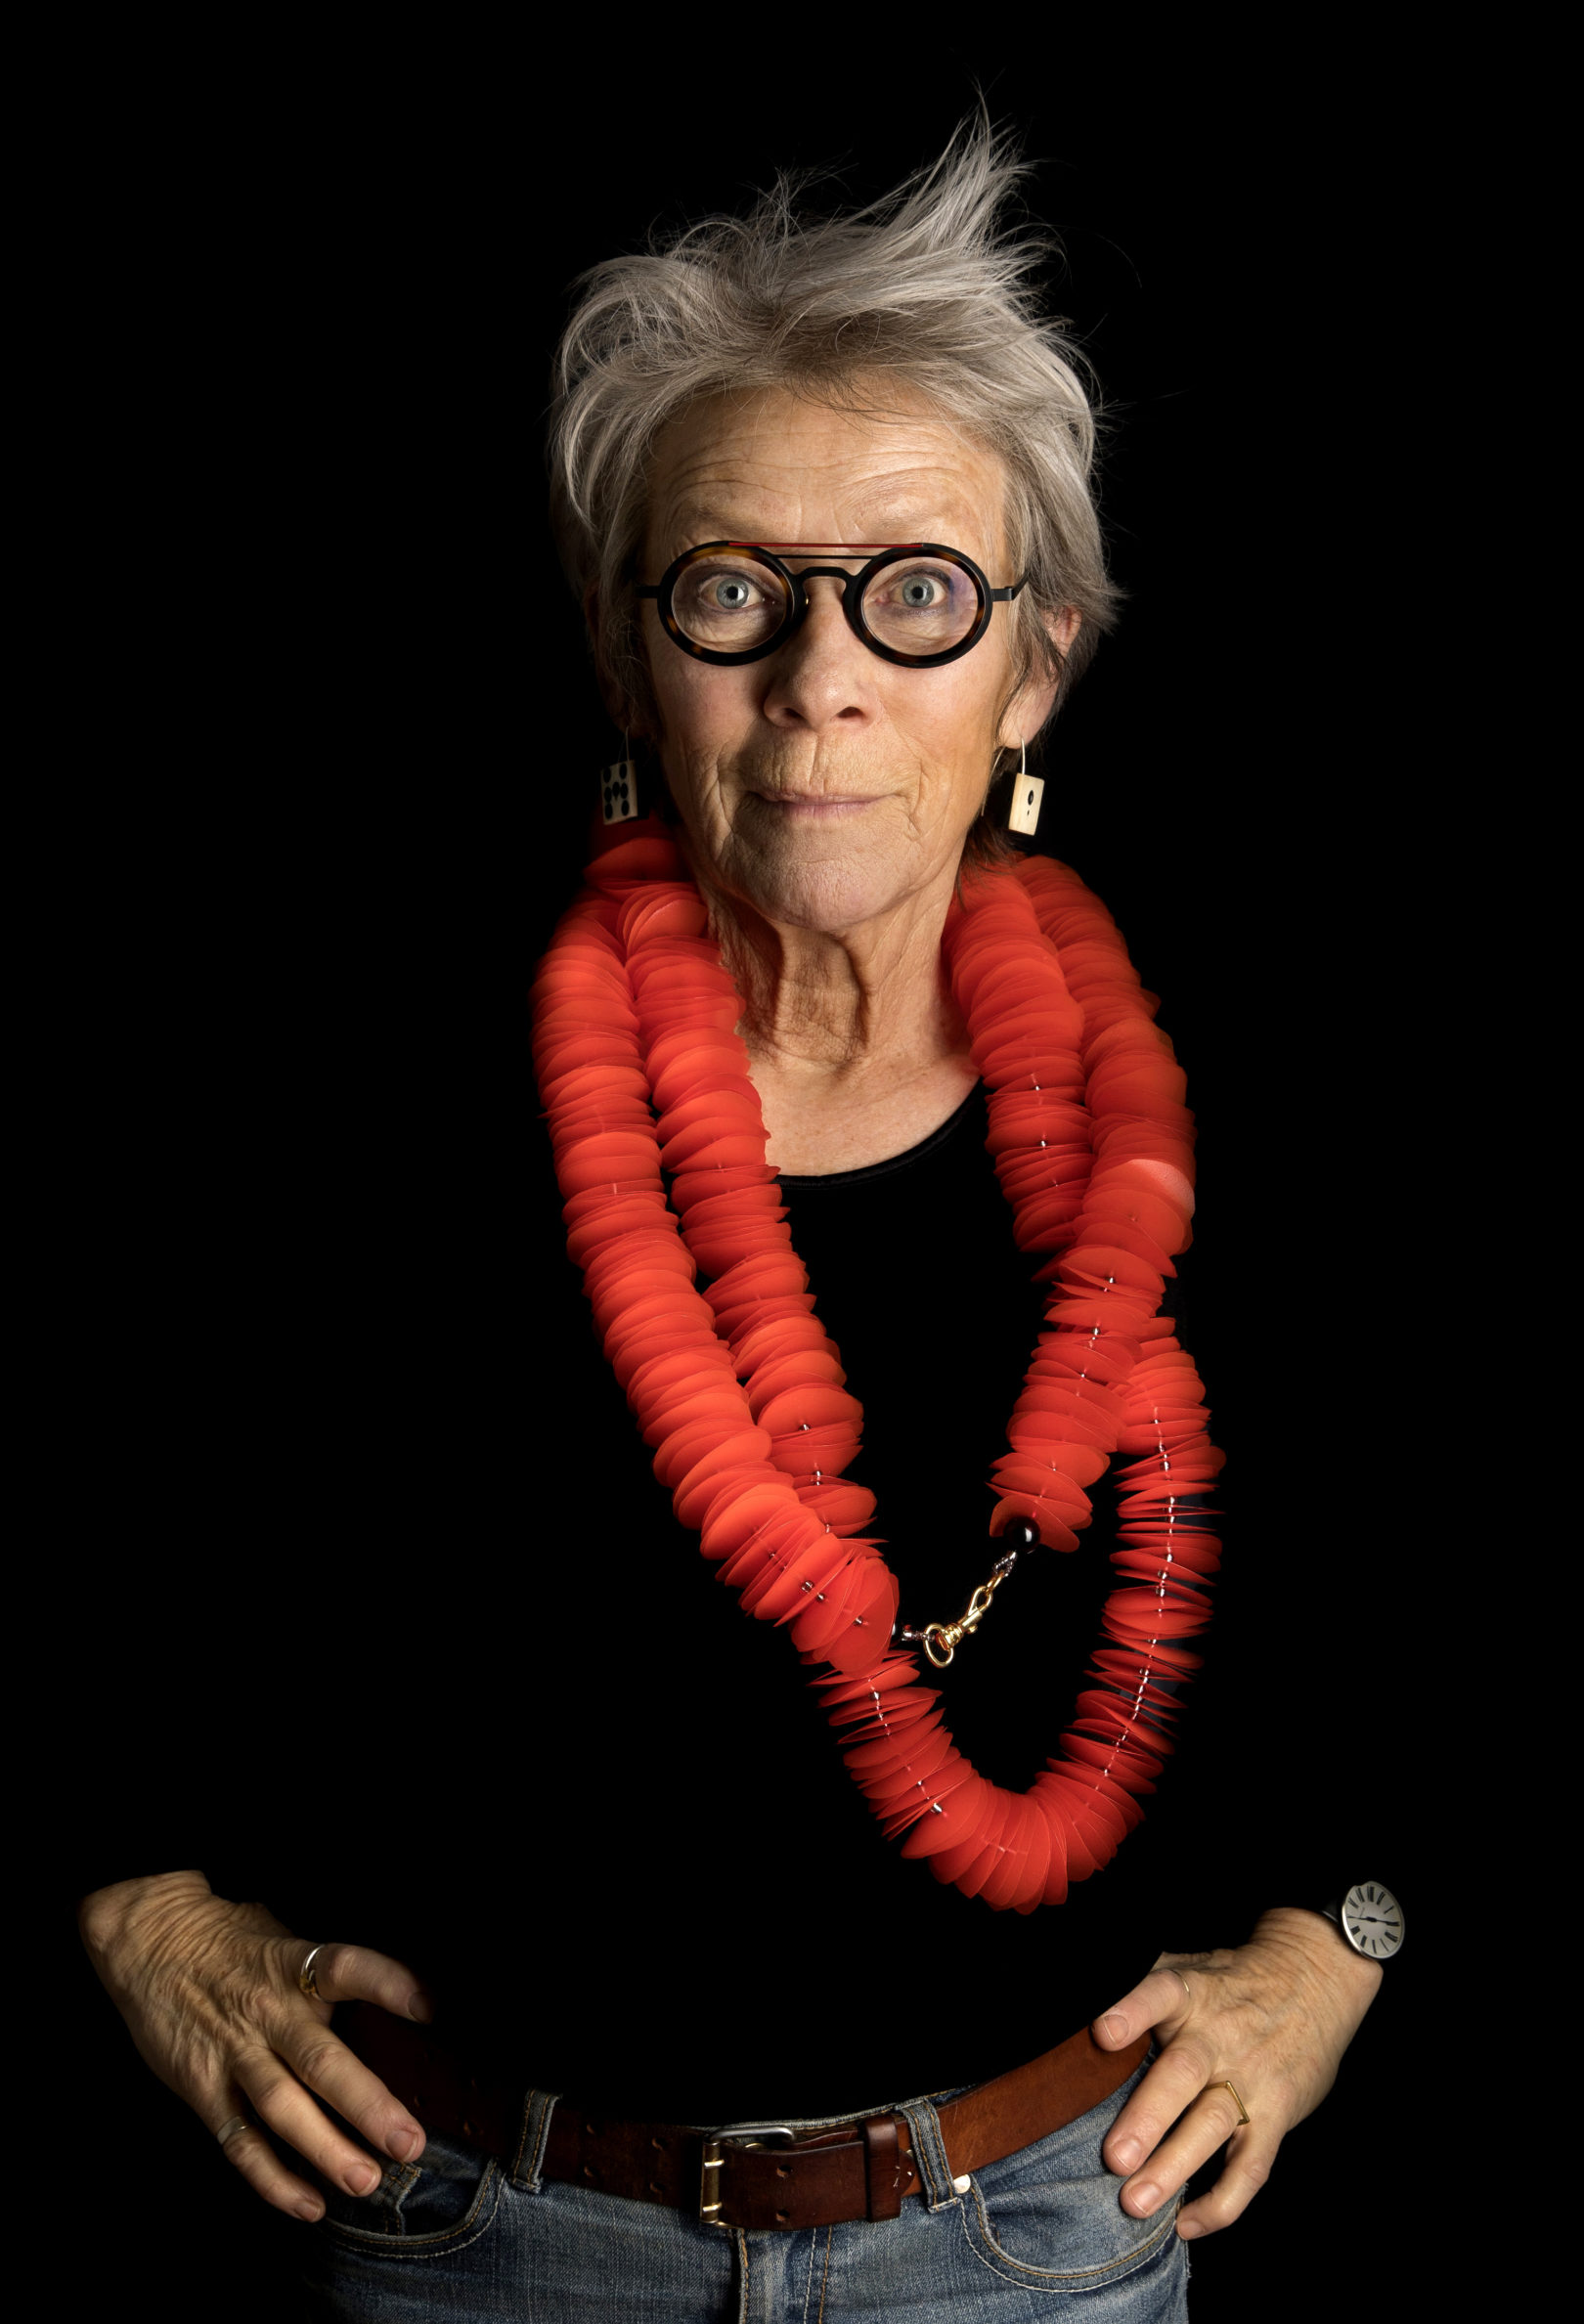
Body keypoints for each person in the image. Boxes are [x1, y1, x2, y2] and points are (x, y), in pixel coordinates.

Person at [74, 119, 1398, 2321]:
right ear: (623, 656)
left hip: (1038, 2242)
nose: (822, 682)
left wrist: (1341, 1937)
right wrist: (137, 1901)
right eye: (730, 592)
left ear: (1036, 669)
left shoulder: (1224, 1105)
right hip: (486, 2242)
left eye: (916, 593)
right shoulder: (361, 1097)